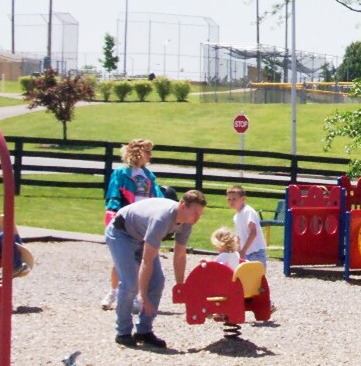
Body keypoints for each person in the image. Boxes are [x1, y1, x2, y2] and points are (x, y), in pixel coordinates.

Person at [105, 189, 207, 349]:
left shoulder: (186, 224)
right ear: (182, 206)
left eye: (200, 214)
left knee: (158, 282)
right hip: (121, 233)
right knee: (130, 283)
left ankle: (144, 331)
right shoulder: (162, 219)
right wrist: (142, 295)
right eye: (195, 213)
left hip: (141, 236)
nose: (197, 218)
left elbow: (180, 255)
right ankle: (123, 332)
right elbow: (147, 261)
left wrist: (180, 286)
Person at [101, 139, 164, 310]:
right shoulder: (121, 174)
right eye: (147, 151)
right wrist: (112, 214)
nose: (150, 155)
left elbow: (158, 197)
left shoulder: (149, 176)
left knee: (143, 260)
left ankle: (138, 296)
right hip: (126, 221)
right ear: (137, 152)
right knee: (122, 260)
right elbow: (113, 195)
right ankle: (113, 292)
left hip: (144, 222)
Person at [226, 185, 266, 266]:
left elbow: (253, 232)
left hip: (255, 252)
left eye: (234, 199)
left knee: (256, 274)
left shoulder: (248, 211)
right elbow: (239, 237)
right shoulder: (236, 216)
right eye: (229, 199)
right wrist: (238, 251)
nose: (231, 202)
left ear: (243, 199)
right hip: (245, 253)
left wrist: (243, 250)